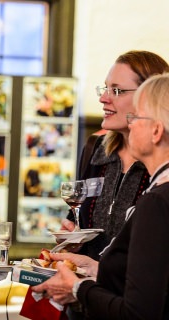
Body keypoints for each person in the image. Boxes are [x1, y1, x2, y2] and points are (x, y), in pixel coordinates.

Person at [33, 72, 169, 320]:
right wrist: (94, 267)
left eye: (136, 116)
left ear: (157, 131)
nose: (131, 122)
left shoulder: (157, 201)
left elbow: (138, 312)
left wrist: (77, 287)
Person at [62, 51, 169, 260]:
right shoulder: (95, 149)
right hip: (87, 289)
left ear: (149, 97)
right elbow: (78, 220)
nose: (103, 98)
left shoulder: (160, 164)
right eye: (105, 88)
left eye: (117, 91)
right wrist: (73, 240)